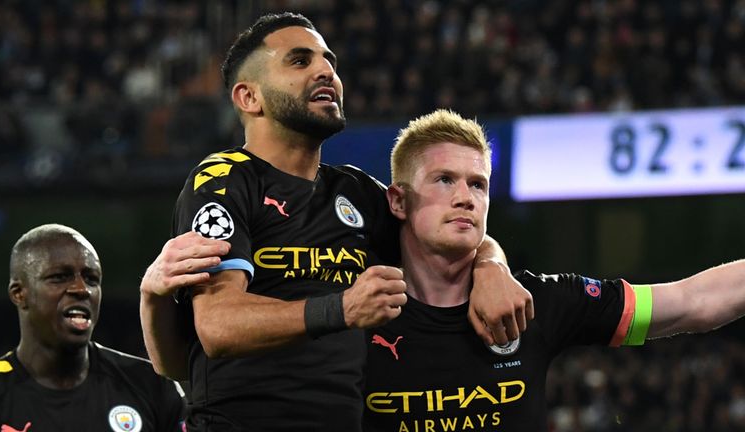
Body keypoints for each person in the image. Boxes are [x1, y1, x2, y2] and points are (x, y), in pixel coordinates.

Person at [139, 12, 531, 432]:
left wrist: (491, 265)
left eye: (329, 61)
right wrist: (342, 308)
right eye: (299, 61)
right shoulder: (223, 180)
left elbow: (448, 226)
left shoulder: (356, 192)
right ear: (249, 98)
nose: (325, 71)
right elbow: (217, 326)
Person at [361, 109, 745, 431]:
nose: (466, 198)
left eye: (478, 185)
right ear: (397, 200)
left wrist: (492, 264)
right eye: (444, 180)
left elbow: (692, 301)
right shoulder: (359, 311)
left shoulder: (535, 303)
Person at [0, 224, 186, 432]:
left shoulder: (151, 386)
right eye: (59, 277)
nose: (82, 289)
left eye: (91, 279)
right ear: (19, 294)